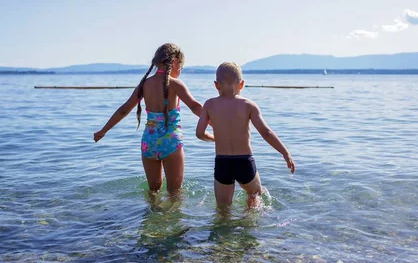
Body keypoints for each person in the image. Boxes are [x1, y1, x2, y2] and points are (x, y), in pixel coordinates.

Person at [94, 43, 213, 194]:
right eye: (181, 67)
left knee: (153, 191)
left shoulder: (144, 84)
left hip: (149, 142)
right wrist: (214, 123)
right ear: (174, 62)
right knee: (175, 193)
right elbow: (196, 107)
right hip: (170, 141)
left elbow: (124, 110)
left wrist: (103, 131)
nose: (180, 71)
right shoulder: (176, 84)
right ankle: (171, 217)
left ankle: (153, 214)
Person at [196, 62, 294, 207]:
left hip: (222, 162)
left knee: (223, 209)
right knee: (255, 195)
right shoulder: (249, 105)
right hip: (244, 162)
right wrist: (285, 152)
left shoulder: (209, 105)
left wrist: (214, 138)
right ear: (241, 84)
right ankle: (248, 224)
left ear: (216, 85)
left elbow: (199, 133)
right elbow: (266, 133)